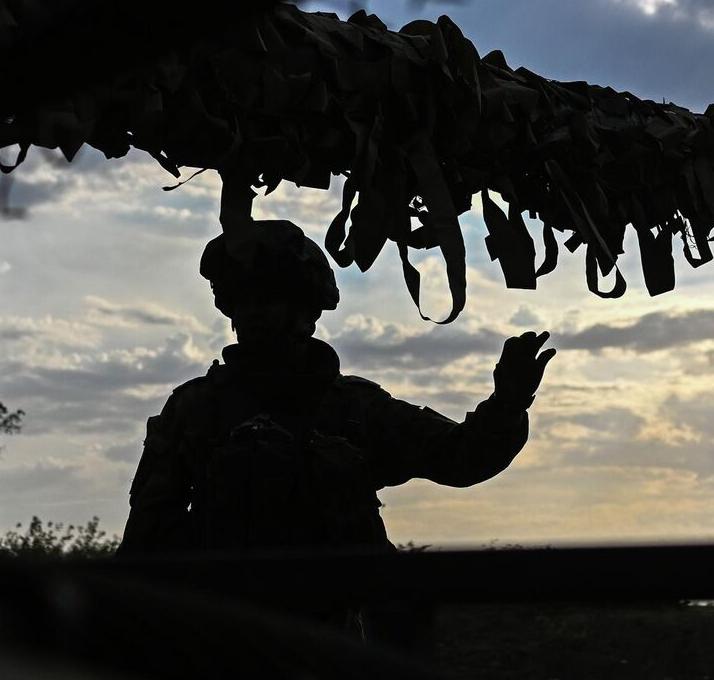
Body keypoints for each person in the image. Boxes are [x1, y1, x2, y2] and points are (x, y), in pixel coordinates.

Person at [118, 220, 555, 642]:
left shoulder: (353, 408)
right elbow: (146, 545)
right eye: (240, 301)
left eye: (267, 299)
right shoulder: (195, 408)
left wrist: (508, 406)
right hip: (218, 645)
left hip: (328, 648)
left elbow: (461, 459)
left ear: (305, 310)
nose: (251, 314)